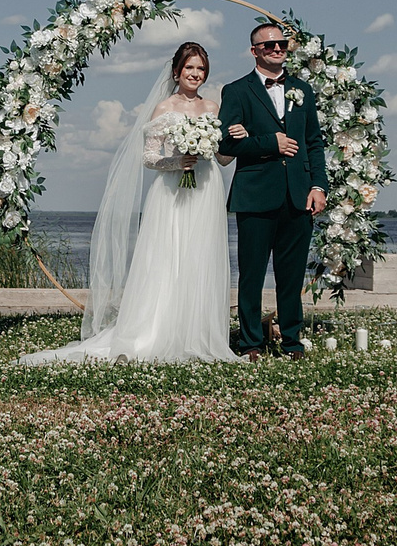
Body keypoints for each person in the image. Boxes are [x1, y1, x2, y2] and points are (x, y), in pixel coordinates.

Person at [20, 42, 238, 366]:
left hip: (206, 191)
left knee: (200, 259)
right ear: (177, 71)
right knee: (167, 259)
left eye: (201, 69)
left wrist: (235, 139)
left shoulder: (213, 108)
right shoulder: (164, 108)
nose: (195, 74)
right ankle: (155, 332)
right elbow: (149, 158)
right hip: (171, 192)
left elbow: (222, 158)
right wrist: (178, 160)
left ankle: (197, 333)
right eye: (190, 68)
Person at [220, 21, 328, 357]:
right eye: (268, 45)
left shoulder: (303, 90)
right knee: (251, 274)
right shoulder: (236, 91)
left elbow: (314, 143)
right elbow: (225, 143)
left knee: (291, 275)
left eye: (281, 44)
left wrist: (318, 186)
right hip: (255, 194)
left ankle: (292, 341)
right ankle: (252, 341)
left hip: (298, 195)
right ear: (254, 51)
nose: (277, 49)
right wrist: (271, 143)